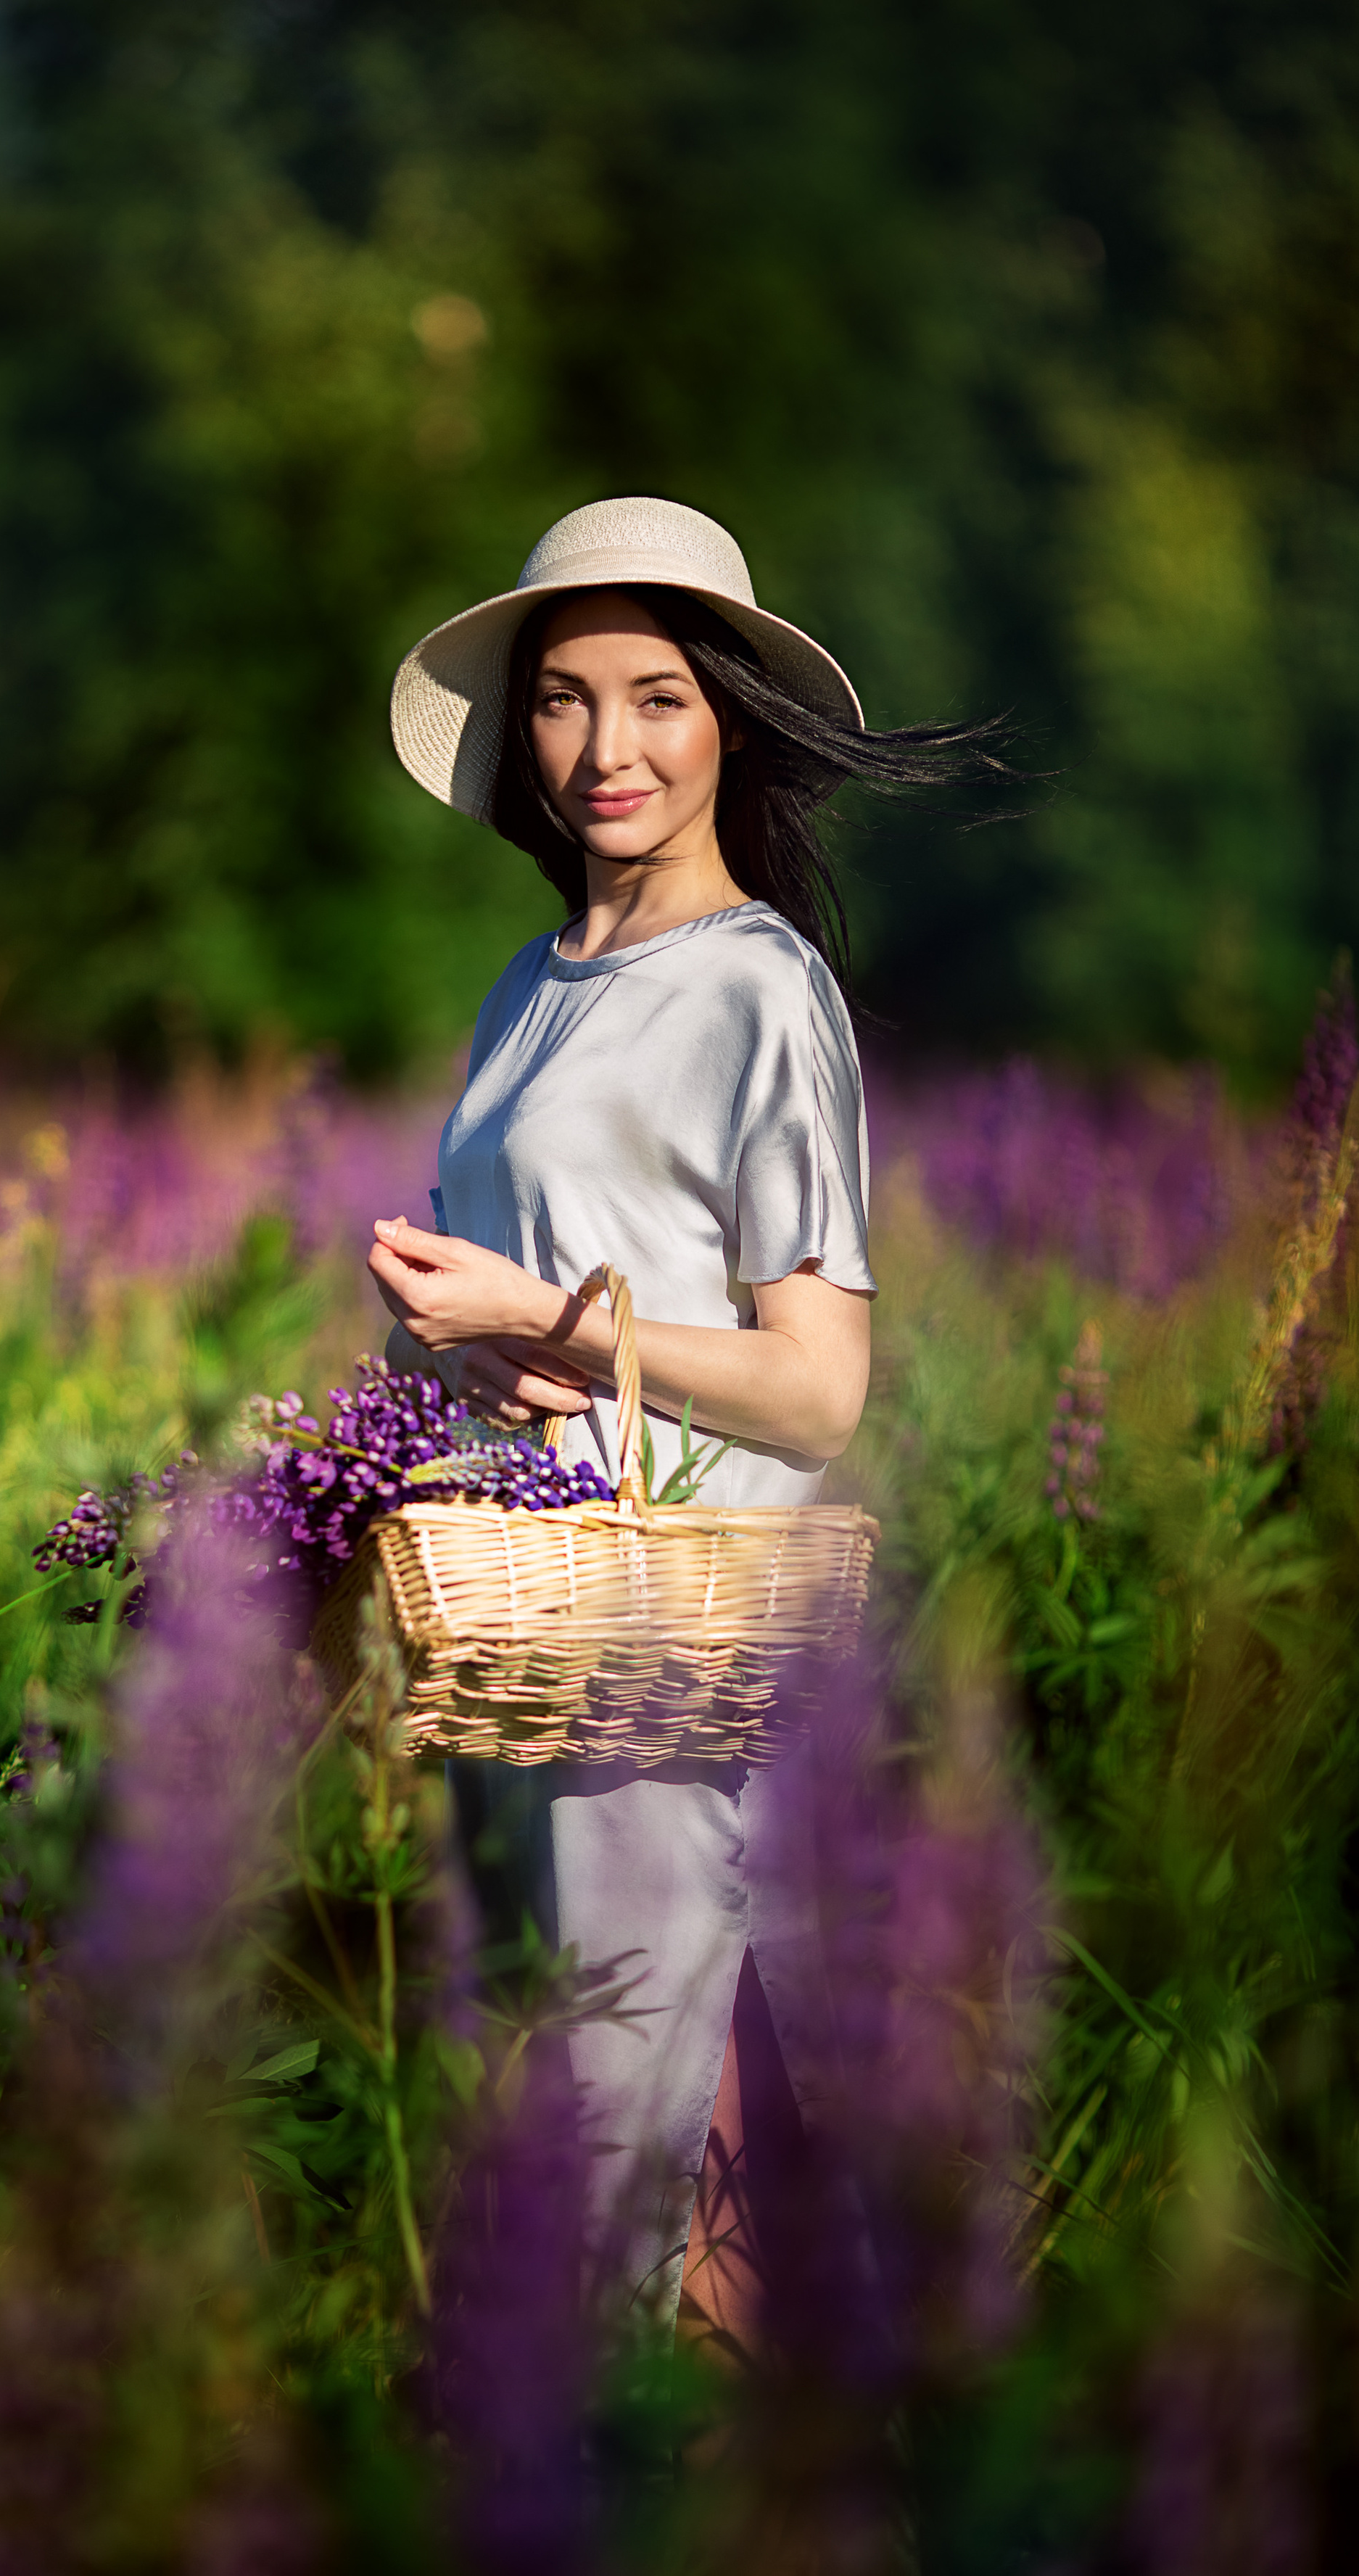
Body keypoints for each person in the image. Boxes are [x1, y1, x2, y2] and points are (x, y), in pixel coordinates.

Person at [366, 495, 1004, 2341]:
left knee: (640, 2168)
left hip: (683, 1652)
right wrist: (442, 1327)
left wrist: (539, 1312)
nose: (604, 748)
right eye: (562, 702)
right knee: (652, 2158)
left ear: (728, 717)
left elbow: (813, 1387)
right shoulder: (523, 991)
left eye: (655, 694)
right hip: (531, 1637)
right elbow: (534, 1330)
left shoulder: (756, 990)